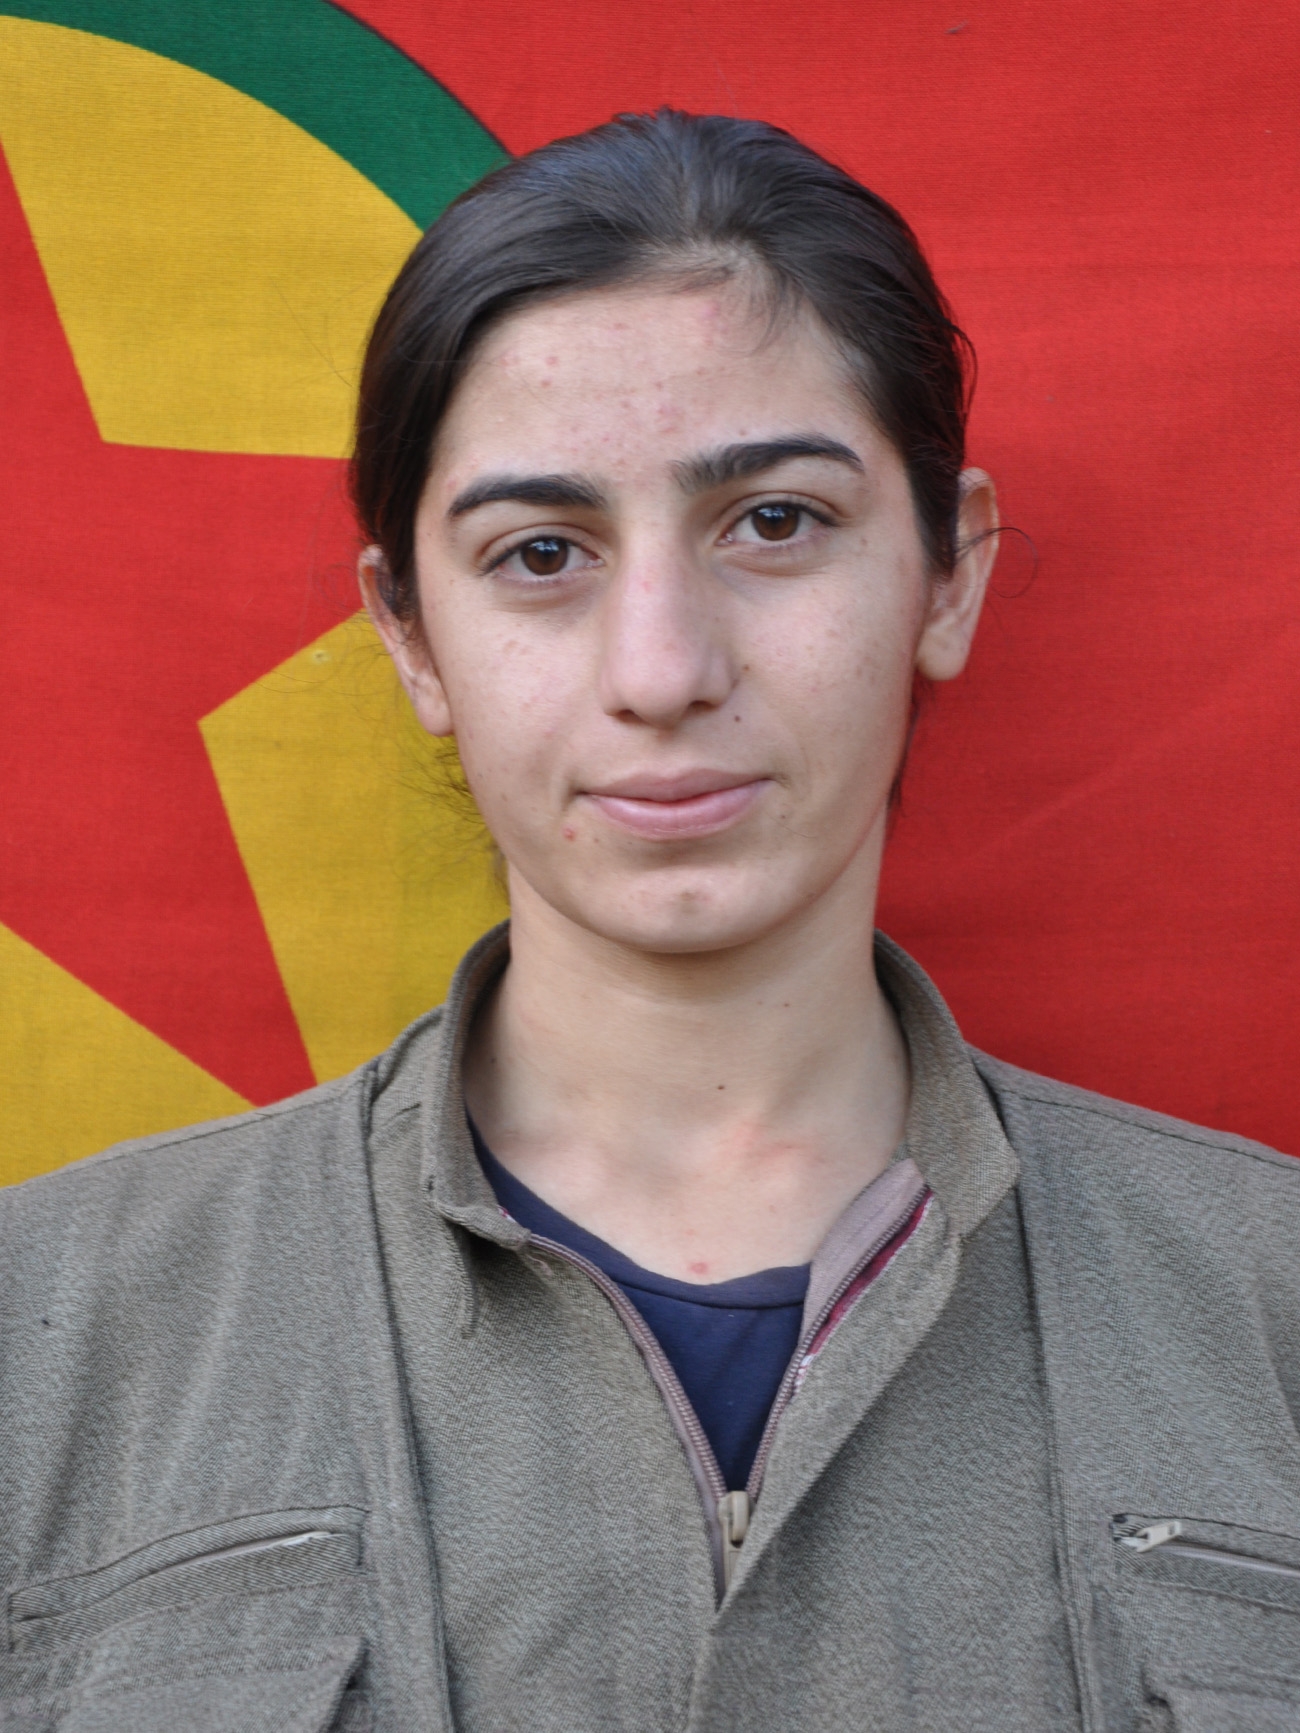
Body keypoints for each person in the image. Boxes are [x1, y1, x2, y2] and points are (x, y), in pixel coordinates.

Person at [3, 110, 1299, 1733]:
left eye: (776, 521)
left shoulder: (1270, 1309)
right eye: (542, 552)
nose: (662, 668)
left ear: (948, 574)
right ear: (410, 635)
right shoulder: (45, 1334)